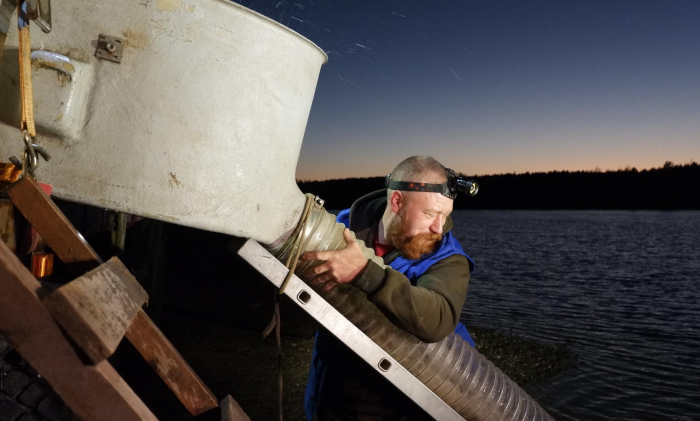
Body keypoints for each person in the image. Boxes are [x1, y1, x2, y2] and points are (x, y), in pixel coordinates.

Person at [300, 156, 476, 421]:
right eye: (430, 214)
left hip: (392, 407)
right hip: (326, 394)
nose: (439, 227)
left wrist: (364, 272)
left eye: (446, 215)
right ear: (397, 202)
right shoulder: (343, 229)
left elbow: (439, 318)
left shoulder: (448, 258)